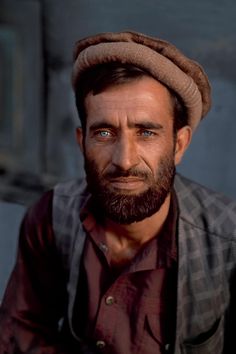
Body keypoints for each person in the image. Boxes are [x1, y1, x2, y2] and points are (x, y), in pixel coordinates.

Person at [0, 31, 236, 354]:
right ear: (82, 142)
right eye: (105, 132)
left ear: (179, 144)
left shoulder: (228, 239)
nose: (124, 160)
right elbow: (20, 333)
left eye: (146, 132)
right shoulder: (51, 218)